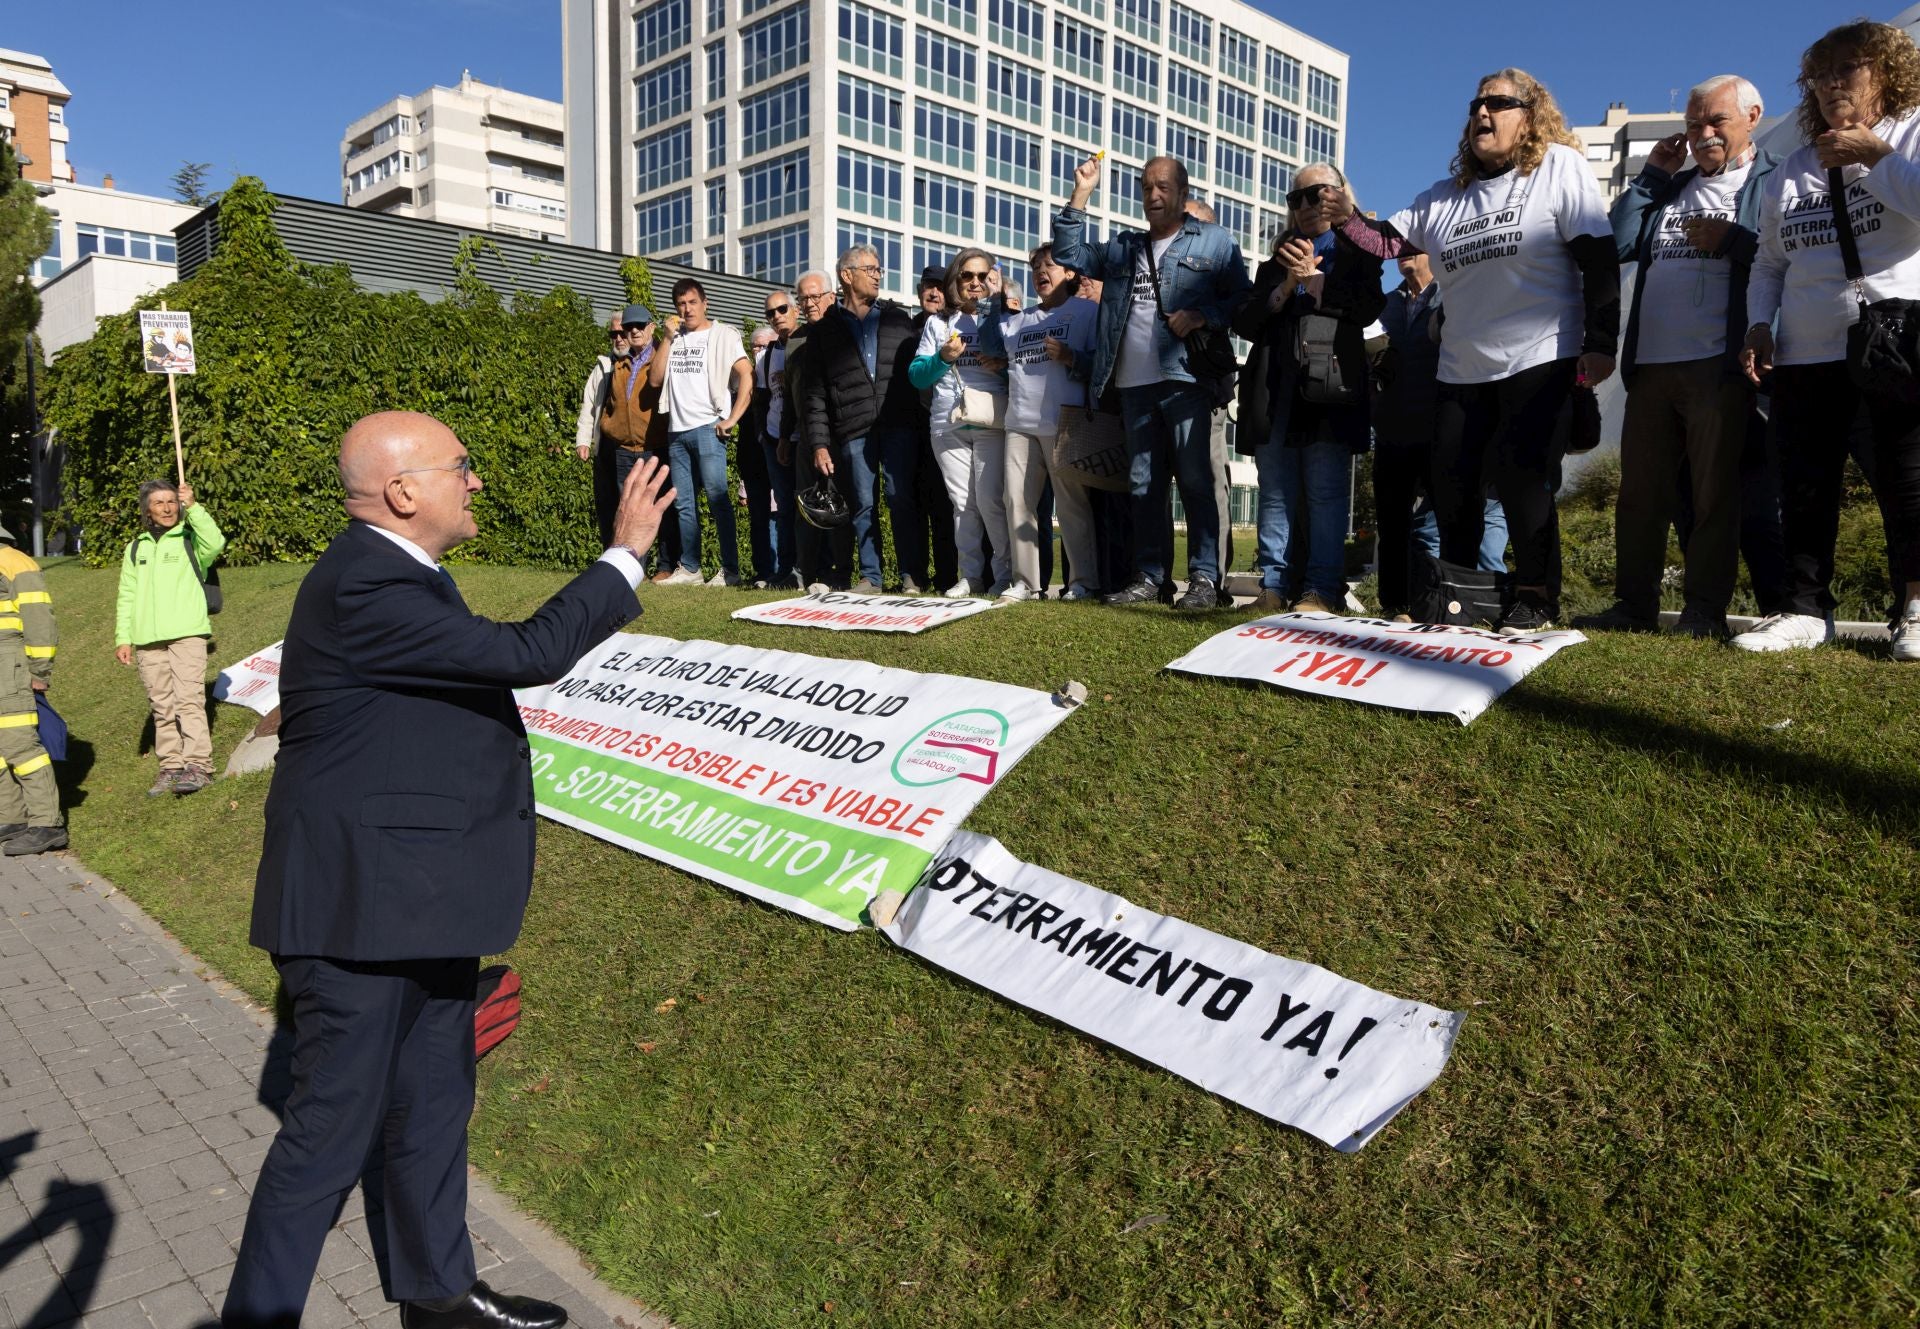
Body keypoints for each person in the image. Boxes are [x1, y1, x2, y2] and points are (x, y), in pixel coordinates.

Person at [222, 412, 676, 1329]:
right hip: (361, 918)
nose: (474, 480)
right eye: (459, 466)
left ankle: (439, 1297)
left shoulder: (404, 574)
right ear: (402, 491)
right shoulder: (365, 584)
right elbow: (525, 655)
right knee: (326, 1140)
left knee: (431, 1108)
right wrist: (623, 555)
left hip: (417, 905)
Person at [1333, 68, 1620, 633]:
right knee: (1452, 485)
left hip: (1541, 355)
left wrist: (1601, 343)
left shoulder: (1557, 168)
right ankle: (1462, 597)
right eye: (1475, 105)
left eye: (1498, 102)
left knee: (1522, 480)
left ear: (1531, 115)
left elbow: (1598, 258)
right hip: (1463, 367)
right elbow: (1385, 241)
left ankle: (1537, 596)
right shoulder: (1445, 198)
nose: (1482, 114)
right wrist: (1341, 214)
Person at [1739, 20, 1920, 657]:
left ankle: (1916, 609)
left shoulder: (1911, 133)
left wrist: (1875, 156)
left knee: (1908, 479)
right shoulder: (1791, 169)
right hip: (1807, 350)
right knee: (1806, 484)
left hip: (1892, 340)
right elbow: (1769, 261)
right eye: (1820, 74)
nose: (1830, 84)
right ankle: (1805, 610)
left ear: (1888, 71)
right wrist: (1761, 324)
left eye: (1848, 68)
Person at [1577, 75, 1780, 639]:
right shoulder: (1672, 185)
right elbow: (1614, 243)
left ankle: (1704, 611)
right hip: (1653, 368)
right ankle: (1631, 607)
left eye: (1716, 121)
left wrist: (1732, 242)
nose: (1704, 133)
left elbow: (1791, 256)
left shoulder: (1775, 177)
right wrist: (1652, 176)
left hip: (1720, 363)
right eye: (1694, 124)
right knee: (1639, 494)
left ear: (1753, 116)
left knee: (1716, 495)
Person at [1053, 155, 1253, 611]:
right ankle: (1150, 577)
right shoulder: (1126, 247)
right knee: (1143, 482)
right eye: (1146, 188)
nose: (1153, 196)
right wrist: (1082, 192)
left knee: (1196, 480)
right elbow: (1068, 255)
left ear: (1182, 194)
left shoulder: (1216, 241)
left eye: (1163, 187)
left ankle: (1203, 579)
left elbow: (1243, 300)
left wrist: (1203, 315)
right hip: (1133, 384)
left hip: (1185, 379)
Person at [1233, 164, 1384, 615]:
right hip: (1277, 392)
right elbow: (1245, 321)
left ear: (1339, 195)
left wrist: (1318, 285)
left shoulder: (1358, 250)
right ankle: (1273, 586)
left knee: (1325, 491)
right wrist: (1286, 286)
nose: (1303, 207)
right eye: (1295, 199)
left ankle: (1322, 589)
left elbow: (1369, 306)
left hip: (1329, 389)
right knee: (1275, 490)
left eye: (1314, 195)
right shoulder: (1277, 259)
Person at [797, 245, 923, 594]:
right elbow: (815, 395)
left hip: (898, 423)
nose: (878, 275)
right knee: (862, 503)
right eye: (870, 269)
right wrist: (820, 444)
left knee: (901, 498)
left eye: (879, 269)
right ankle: (872, 577)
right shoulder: (825, 331)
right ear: (846, 275)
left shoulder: (898, 319)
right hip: (852, 428)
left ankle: (911, 574)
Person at [979, 243, 1101, 599]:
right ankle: (1026, 584)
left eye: (1049, 265)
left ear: (1070, 273)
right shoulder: (1020, 319)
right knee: (1016, 501)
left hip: (1067, 423)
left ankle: (1082, 583)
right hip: (1020, 423)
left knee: (1071, 507)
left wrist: (1071, 357)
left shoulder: (1086, 313)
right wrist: (992, 298)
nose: (1039, 272)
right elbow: (990, 347)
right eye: (1034, 267)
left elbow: (1103, 364)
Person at [909, 248, 1015, 597]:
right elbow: (917, 377)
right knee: (963, 504)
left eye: (982, 276)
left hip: (991, 419)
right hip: (947, 422)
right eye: (966, 276)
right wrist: (942, 358)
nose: (974, 283)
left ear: (992, 279)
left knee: (991, 502)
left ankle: (1005, 575)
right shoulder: (937, 323)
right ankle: (970, 576)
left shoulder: (1004, 317)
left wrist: (1002, 364)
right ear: (955, 280)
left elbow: (1025, 366)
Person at [115, 480, 226, 796]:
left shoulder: (192, 541)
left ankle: (199, 767)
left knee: (188, 700)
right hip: (147, 638)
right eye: (159, 503)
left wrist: (194, 506)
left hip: (187, 633)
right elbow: (127, 594)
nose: (166, 508)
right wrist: (123, 637)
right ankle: (171, 767)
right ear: (147, 510)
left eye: (171, 502)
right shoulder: (136, 548)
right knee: (162, 706)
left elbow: (216, 542)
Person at [650, 278, 752, 587]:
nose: (687, 308)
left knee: (719, 500)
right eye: (681, 303)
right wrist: (666, 339)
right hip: (676, 432)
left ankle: (730, 572)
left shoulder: (723, 334)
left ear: (705, 303)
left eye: (692, 302)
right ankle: (691, 569)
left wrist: (732, 418)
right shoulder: (674, 338)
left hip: (709, 428)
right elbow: (655, 380)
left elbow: (747, 375)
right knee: (684, 504)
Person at [578, 306, 679, 579]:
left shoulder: (663, 355)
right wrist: (602, 432)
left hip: (655, 447)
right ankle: (634, 568)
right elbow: (602, 404)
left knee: (662, 509)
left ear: (650, 327)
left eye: (638, 326)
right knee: (628, 512)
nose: (632, 331)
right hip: (624, 450)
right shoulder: (617, 363)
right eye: (627, 327)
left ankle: (667, 566)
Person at [0, 523, 63, 855]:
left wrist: (39, 669)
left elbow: (39, 620)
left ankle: (46, 824)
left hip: (8, 665)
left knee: (20, 745)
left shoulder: (16, 562)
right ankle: (12, 818)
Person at [786, 270, 849, 590]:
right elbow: (789, 392)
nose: (809, 304)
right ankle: (804, 571)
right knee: (805, 507)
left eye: (814, 297)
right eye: (803, 299)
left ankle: (841, 571)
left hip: (839, 432)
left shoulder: (843, 329)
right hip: (805, 435)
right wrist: (787, 435)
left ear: (831, 296)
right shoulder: (795, 339)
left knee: (838, 504)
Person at [910, 266, 961, 592]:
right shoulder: (905, 327)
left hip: (952, 425)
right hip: (914, 430)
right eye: (927, 287)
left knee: (953, 505)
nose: (933, 293)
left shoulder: (958, 324)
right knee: (918, 507)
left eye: (939, 287)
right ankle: (919, 577)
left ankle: (951, 577)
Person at [747, 300, 799, 587]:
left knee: (807, 504)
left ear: (795, 310)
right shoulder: (766, 358)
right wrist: (764, 435)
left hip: (802, 438)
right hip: (773, 438)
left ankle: (812, 568)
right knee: (783, 508)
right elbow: (762, 399)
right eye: (770, 312)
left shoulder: (806, 344)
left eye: (782, 309)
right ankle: (786, 569)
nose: (777, 316)